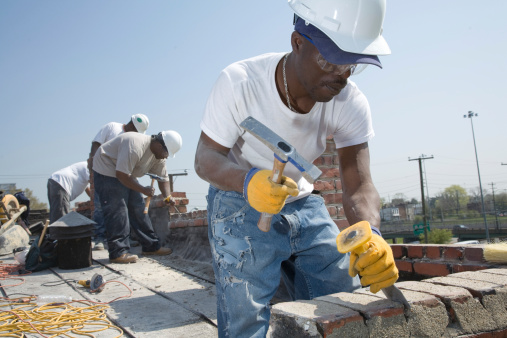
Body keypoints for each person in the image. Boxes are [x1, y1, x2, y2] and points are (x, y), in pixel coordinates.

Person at [194, 0, 398, 336]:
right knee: (246, 310)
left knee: (340, 292)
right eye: (332, 59)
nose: (342, 76)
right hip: (238, 196)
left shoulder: (350, 102)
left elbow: (358, 185)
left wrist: (371, 233)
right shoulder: (240, 81)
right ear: (298, 42)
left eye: (352, 65)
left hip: (301, 199)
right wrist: (249, 182)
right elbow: (206, 158)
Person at [92, 130, 182, 264]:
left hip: (125, 172)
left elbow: (163, 179)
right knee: (118, 209)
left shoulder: (159, 157)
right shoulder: (135, 146)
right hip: (106, 168)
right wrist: (143, 190)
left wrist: (167, 197)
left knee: (138, 206)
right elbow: (121, 175)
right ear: (159, 145)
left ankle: (151, 246)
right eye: (166, 153)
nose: (166, 157)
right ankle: (118, 252)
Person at [88, 114, 150, 250]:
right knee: (101, 206)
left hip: (125, 174)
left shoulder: (134, 139)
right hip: (105, 174)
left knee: (128, 207)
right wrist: (92, 166)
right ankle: (100, 239)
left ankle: (127, 240)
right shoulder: (112, 127)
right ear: (133, 125)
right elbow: (96, 144)